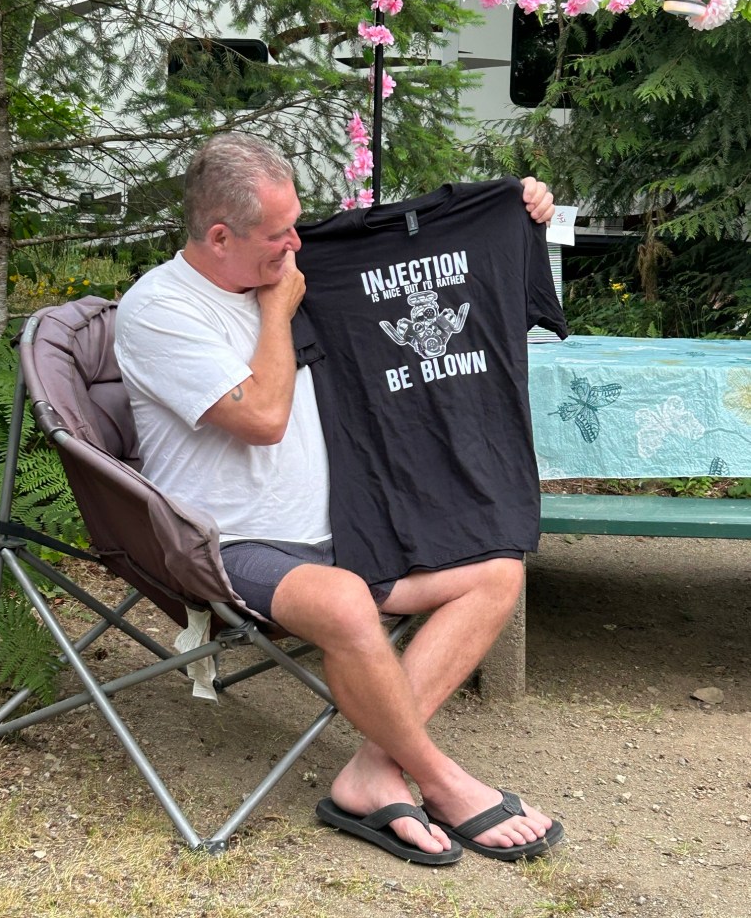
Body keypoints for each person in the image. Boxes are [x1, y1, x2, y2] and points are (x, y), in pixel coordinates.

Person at [115, 132, 565, 866]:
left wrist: (521, 205)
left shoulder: (284, 273)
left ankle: (371, 771)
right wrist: (277, 311)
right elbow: (263, 418)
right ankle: (442, 780)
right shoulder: (161, 310)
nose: (298, 243)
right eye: (279, 233)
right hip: (228, 544)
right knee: (347, 603)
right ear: (220, 237)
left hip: (338, 534)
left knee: (497, 572)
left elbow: (399, 255)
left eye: (297, 225)